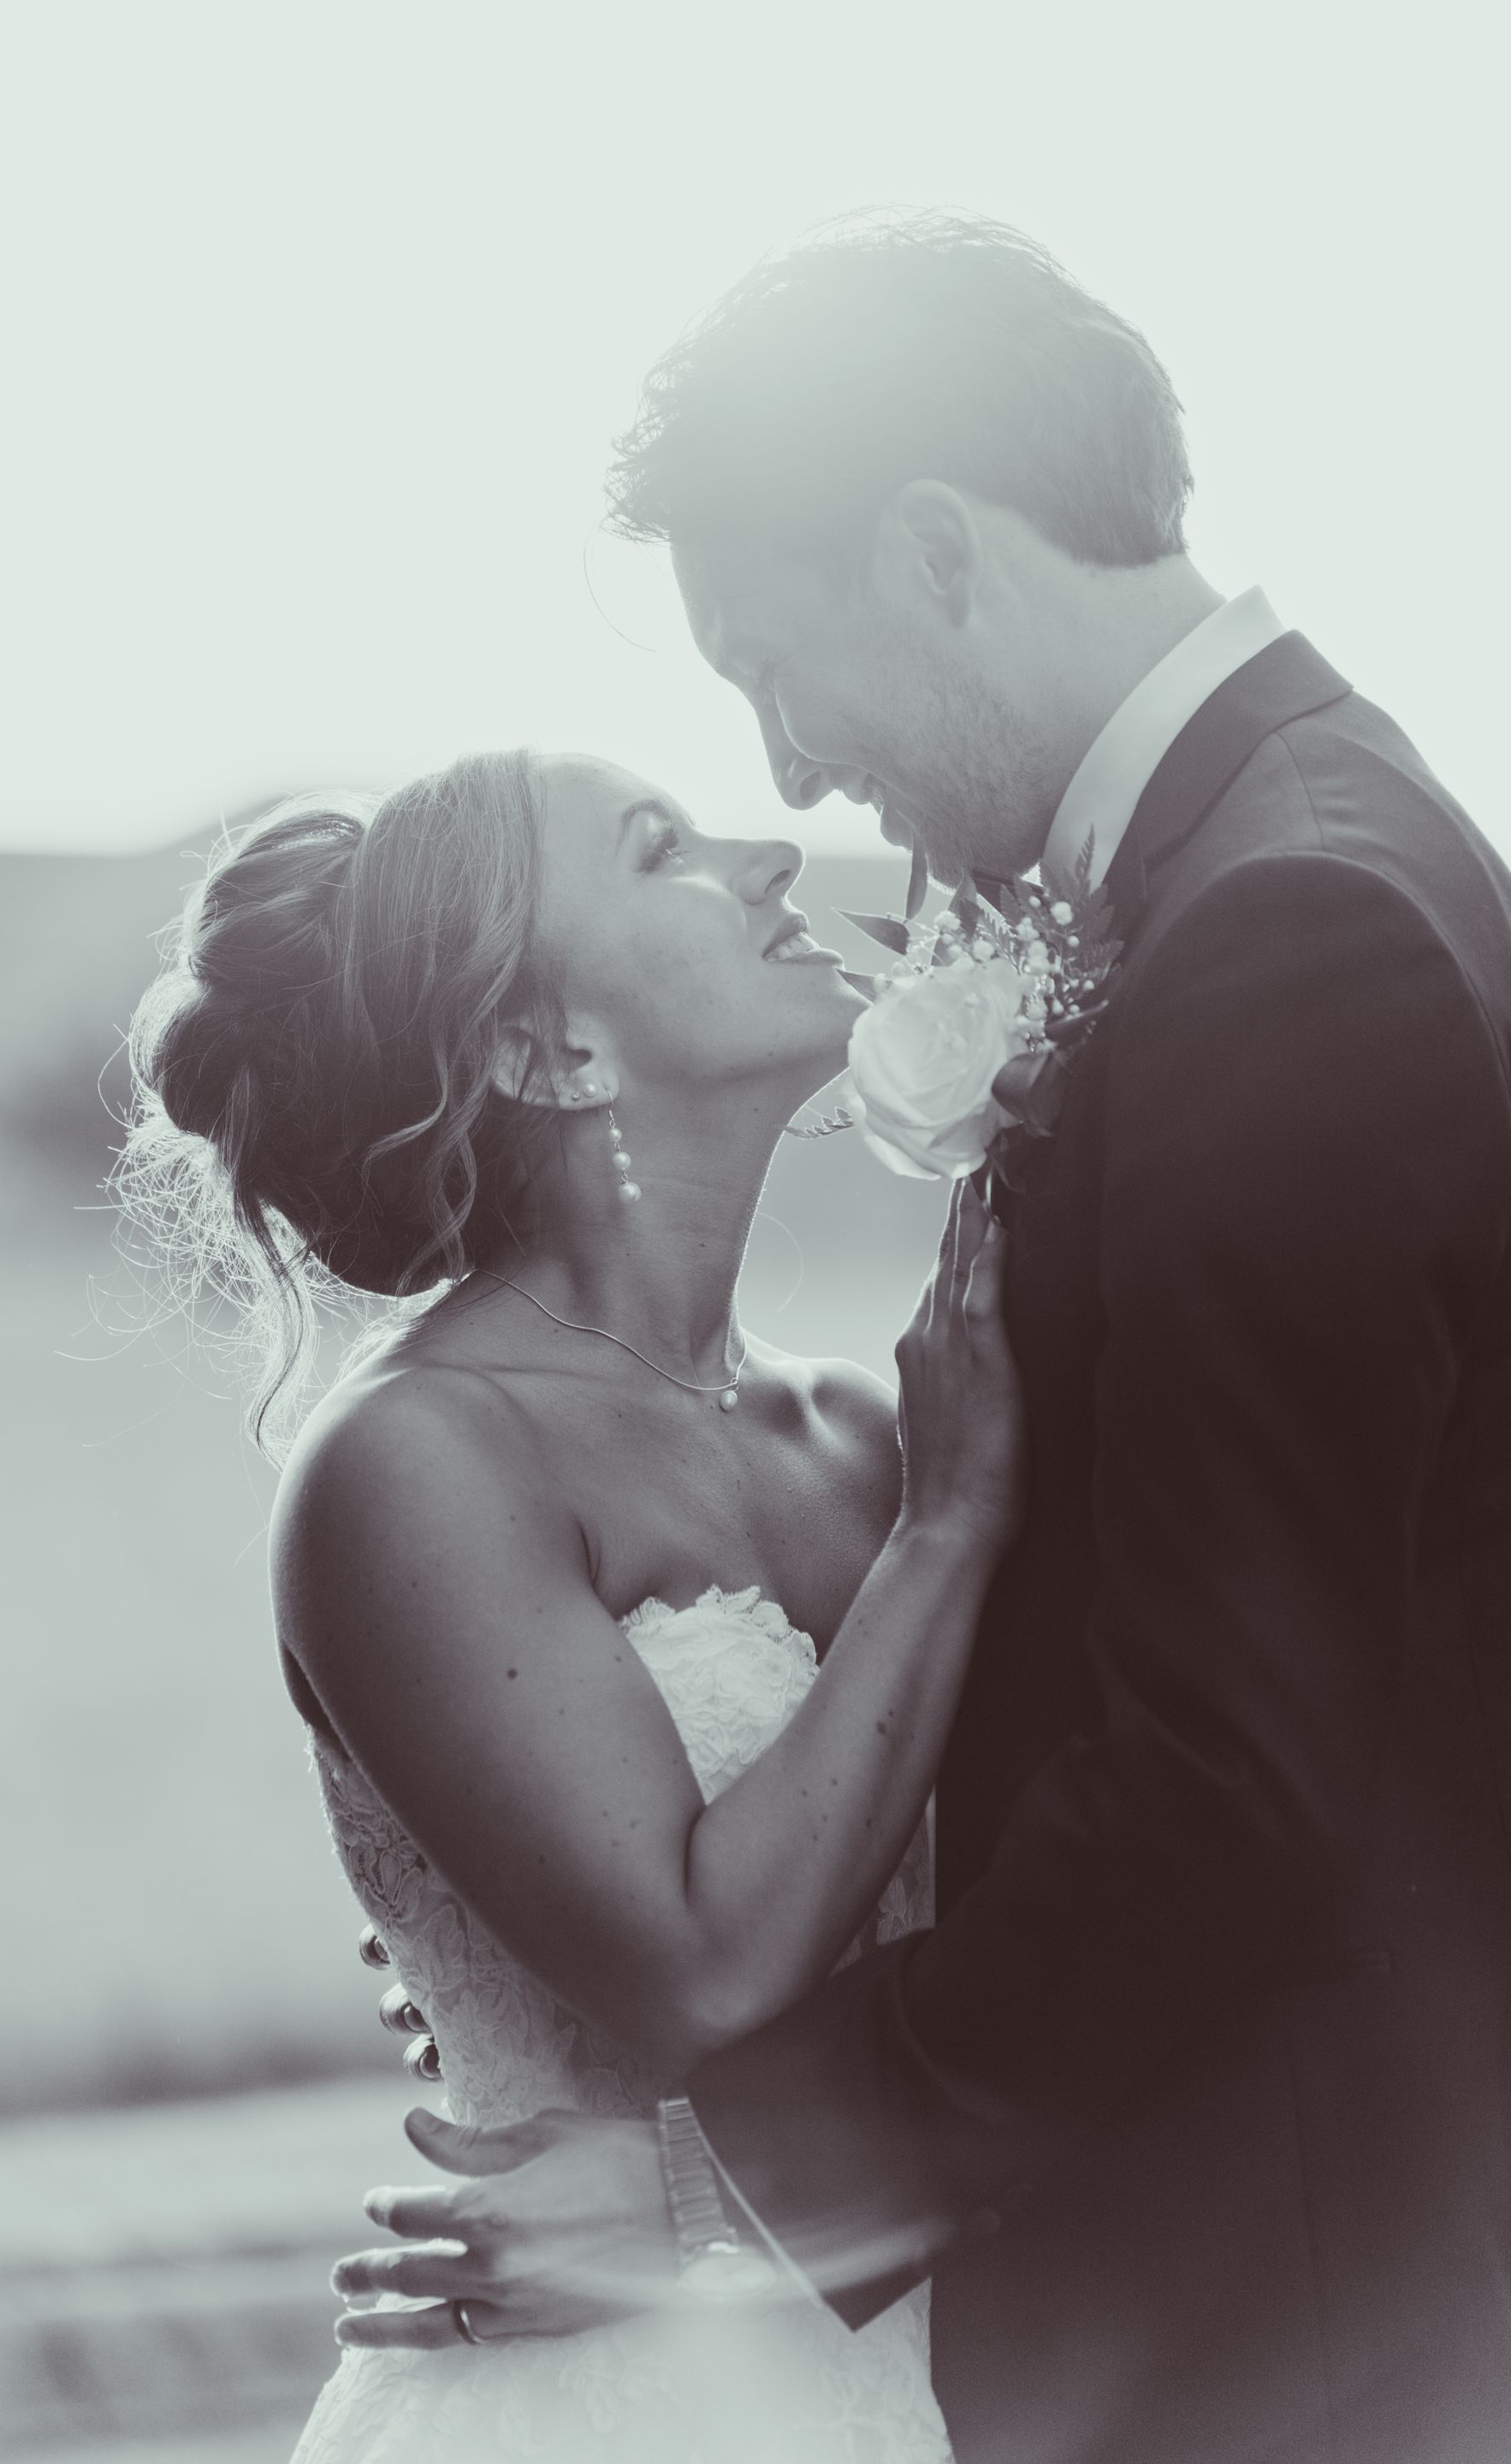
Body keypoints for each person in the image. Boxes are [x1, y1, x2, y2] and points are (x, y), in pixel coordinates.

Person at [342, 216, 1511, 2462]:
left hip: (1283, 2309)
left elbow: (1234, 1779)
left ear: (940, 554)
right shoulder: (1290, 851)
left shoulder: (1284, 929)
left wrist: (715, 2184)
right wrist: (530, 1911)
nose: (793, 774)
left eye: (774, 667)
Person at [119, 748, 1025, 2461]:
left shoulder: (866, 1427)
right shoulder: (417, 1458)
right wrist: (955, 1529)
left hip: (893, 2371)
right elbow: (707, 1980)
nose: (771, 856)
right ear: (550, 1050)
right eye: (662, 848)